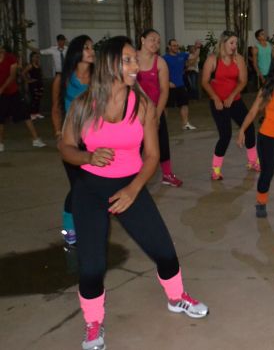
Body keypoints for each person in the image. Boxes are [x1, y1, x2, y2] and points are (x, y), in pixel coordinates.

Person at [58, 36, 208, 350]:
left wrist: (133, 189)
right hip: (90, 189)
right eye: (127, 60)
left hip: (130, 185)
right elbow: (66, 148)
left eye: (134, 60)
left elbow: (152, 155)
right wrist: (88, 157)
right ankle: (93, 323)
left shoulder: (142, 105)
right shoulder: (84, 103)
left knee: (164, 251)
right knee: (92, 265)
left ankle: (176, 297)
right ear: (110, 63)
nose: (135, 66)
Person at [237, 54, 274, 218]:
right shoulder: (268, 89)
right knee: (267, 173)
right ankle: (261, 202)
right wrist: (242, 130)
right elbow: (253, 112)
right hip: (268, 137)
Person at [51, 35, 94, 245]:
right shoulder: (63, 79)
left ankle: (88, 219)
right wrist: (59, 135)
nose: (91, 51)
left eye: (92, 48)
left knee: (92, 185)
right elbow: (56, 109)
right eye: (87, 48)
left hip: (94, 140)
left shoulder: (98, 78)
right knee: (78, 186)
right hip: (71, 141)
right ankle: (69, 227)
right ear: (77, 52)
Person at [201, 30, 260, 180]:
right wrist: (215, 98)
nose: (234, 46)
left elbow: (243, 81)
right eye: (231, 43)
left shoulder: (238, 59)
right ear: (223, 43)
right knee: (225, 135)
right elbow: (205, 82)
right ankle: (216, 170)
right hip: (218, 102)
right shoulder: (213, 59)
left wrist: (232, 96)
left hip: (235, 101)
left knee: (249, 128)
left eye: (236, 43)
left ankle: (253, 161)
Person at [137, 29, 183, 187]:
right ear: (142, 40)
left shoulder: (160, 62)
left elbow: (164, 90)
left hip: (155, 110)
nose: (155, 43)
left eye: (158, 41)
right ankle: (129, 176)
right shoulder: (132, 58)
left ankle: (167, 174)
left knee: (162, 141)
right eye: (152, 39)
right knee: (135, 144)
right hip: (134, 111)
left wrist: (156, 114)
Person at [0, 46, 46, 153]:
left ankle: (36, 139)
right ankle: (0, 143)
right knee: (0, 118)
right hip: (2, 95)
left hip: (13, 92)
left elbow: (12, 76)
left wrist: (2, 88)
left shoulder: (10, 58)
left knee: (25, 115)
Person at [164, 38, 197, 130]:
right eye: (174, 45)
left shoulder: (182, 55)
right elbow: (160, 72)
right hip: (168, 86)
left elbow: (193, 57)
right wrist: (167, 82)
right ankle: (163, 125)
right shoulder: (164, 58)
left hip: (180, 85)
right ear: (169, 47)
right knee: (165, 106)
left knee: (184, 104)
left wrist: (197, 48)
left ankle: (185, 124)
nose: (176, 47)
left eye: (177, 45)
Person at [22, 52, 45, 120]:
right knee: (34, 99)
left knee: (38, 99)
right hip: (33, 84)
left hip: (39, 83)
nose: (36, 58)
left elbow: (41, 74)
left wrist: (41, 79)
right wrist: (27, 80)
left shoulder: (39, 65)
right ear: (31, 58)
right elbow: (23, 73)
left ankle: (37, 113)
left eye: (37, 57)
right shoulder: (30, 66)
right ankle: (32, 114)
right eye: (34, 57)